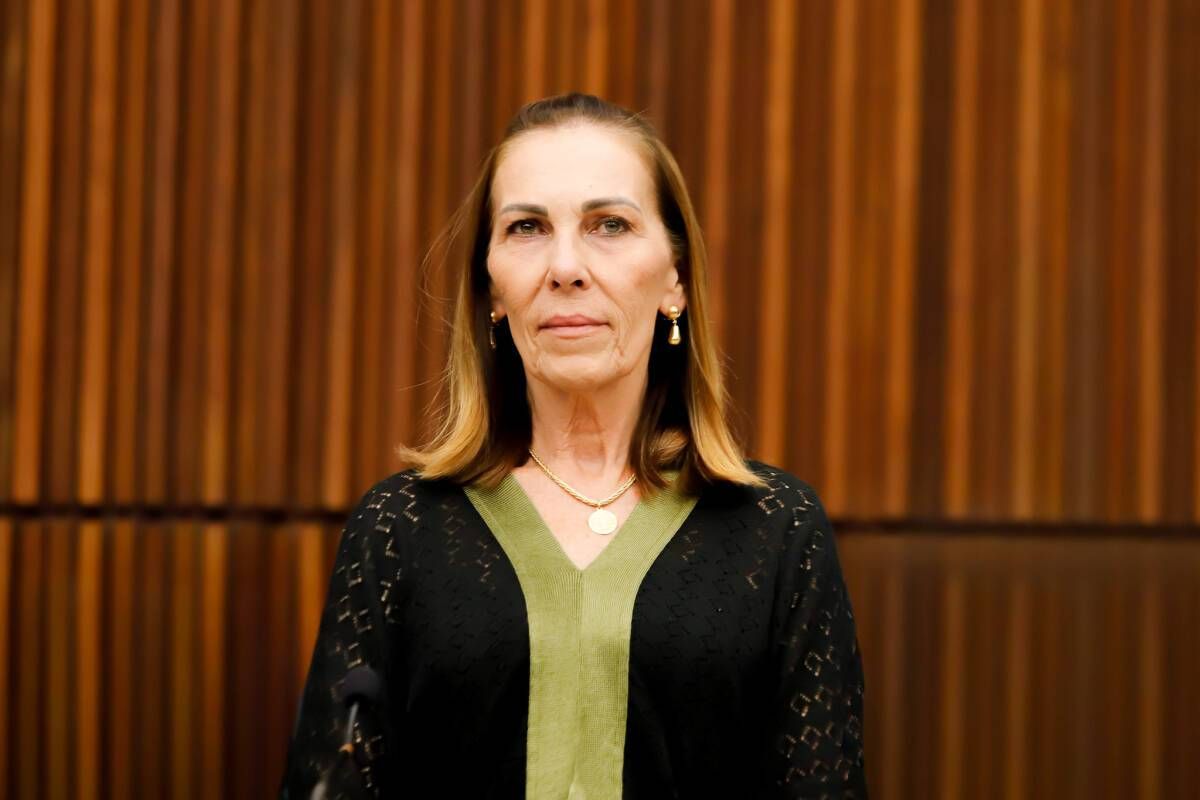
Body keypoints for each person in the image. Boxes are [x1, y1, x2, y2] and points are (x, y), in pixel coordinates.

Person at [280, 93, 867, 799]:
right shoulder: (397, 529)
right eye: (526, 228)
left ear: (676, 279)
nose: (565, 267)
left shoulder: (778, 532)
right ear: (493, 290)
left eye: (609, 225)